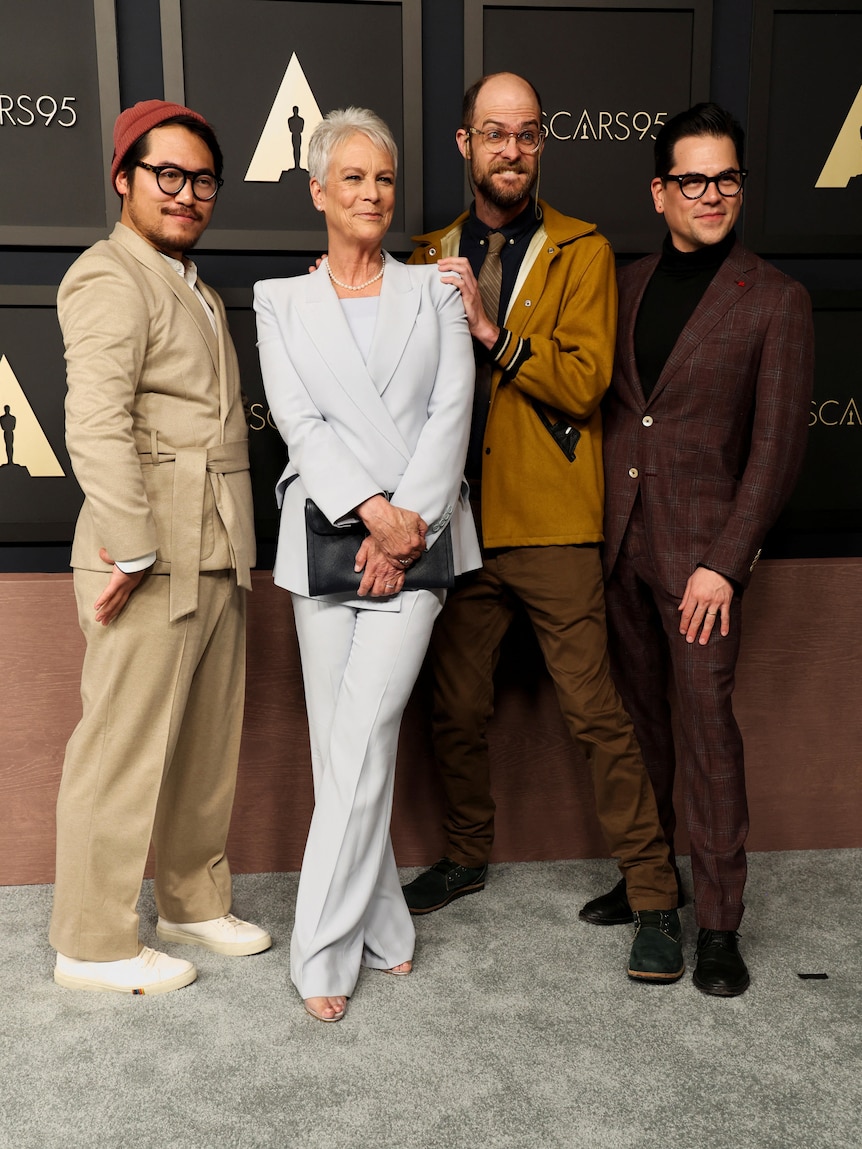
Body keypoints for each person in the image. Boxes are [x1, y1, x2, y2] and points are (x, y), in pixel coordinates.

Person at [402, 72, 684, 983]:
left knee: (597, 713)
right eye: (495, 133)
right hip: (455, 518)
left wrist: (489, 329)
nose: (511, 150)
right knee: (453, 706)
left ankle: (654, 895)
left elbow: (583, 380)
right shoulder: (424, 250)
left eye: (526, 135)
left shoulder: (582, 248)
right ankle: (467, 853)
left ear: (541, 146)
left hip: (553, 521)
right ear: (465, 145)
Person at [579, 103, 814, 997]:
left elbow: (778, 447)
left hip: (703, 563)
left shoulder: (776, 299)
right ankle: (650, 882)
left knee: (708, 733)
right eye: (693, 180)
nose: (711, 195)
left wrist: (727, 560)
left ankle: (719, 922)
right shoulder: (627, 282)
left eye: (726, 179)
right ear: (659, 191)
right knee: (639, 727)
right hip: (620, 548)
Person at [254, 107, 481, 1022]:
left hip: (419, 542)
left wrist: (407, 527)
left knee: (361, 734)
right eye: (352, 178)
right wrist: (375, 516)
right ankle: (386, 921)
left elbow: (452, 413)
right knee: (340, 743)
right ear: (317, 191)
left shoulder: (434, 290)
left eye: (384, 178)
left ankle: (320, 945)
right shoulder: (282, 300)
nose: (372, 193)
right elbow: (299, 422)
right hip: (327, 538)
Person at [51, 99, 270, 995]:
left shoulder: (195, 285)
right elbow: (94, 422)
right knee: (123, 743)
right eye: (166, 176)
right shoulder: (108, 276)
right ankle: (92, 943)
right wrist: (130, 549)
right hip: (145, 549)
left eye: (202, 179)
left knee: (204, 741)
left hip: (216, 539)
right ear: (124, 179)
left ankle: (188, 898)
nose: (186, 194)